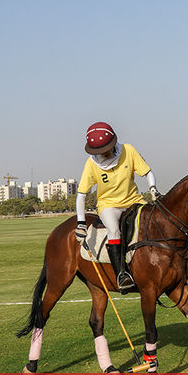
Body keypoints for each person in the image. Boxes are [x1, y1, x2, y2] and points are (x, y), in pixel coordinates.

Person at [74, 122, 160, 292]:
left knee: (154, 222)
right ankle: (122, 274)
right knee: (114, 231)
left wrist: (153, 190)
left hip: (134, 200)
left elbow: (148, 172)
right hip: (109, 205)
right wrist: (81, 223)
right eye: (98, 152)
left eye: (105, 150)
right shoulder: (91, 164)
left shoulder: (128, 150)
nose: (102, 155)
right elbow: (81, 195)